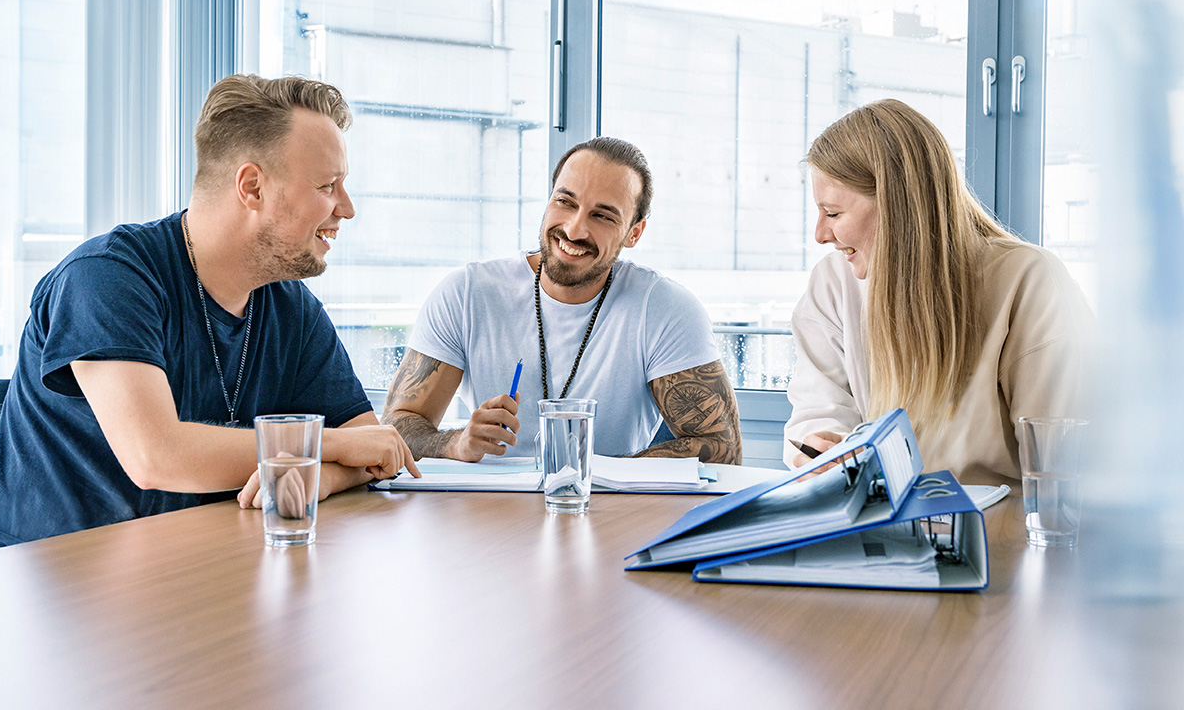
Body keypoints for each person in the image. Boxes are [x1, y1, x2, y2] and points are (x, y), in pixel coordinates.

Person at [0, 74, 419, 547]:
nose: (347, 208)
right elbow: (155, 456)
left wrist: (319, 476)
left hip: (192, 569)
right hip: (37, 582)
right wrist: (320, 448)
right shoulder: (107, 278)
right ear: (252, 187)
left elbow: (373, 448)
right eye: (328, 185)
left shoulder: (292, 309)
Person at [785, 99, 1093, 488]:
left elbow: (1061, 459)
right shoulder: (833, 281)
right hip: (890, 522)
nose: (820, 235)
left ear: (898, 206)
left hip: (997, 528)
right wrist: (824, 445)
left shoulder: (1029, 281)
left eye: (833, 213)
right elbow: (819, 409)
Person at [383, 137, 742, 463]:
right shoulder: (465, 293)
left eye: (602, 215)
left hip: (608, 514)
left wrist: (586, 476)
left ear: (634, 232)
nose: (574, 229)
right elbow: (396, 429)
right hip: (485, 512)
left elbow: (722, 449)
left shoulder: (664, 308)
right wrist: (456, 443)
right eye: (565, 202)